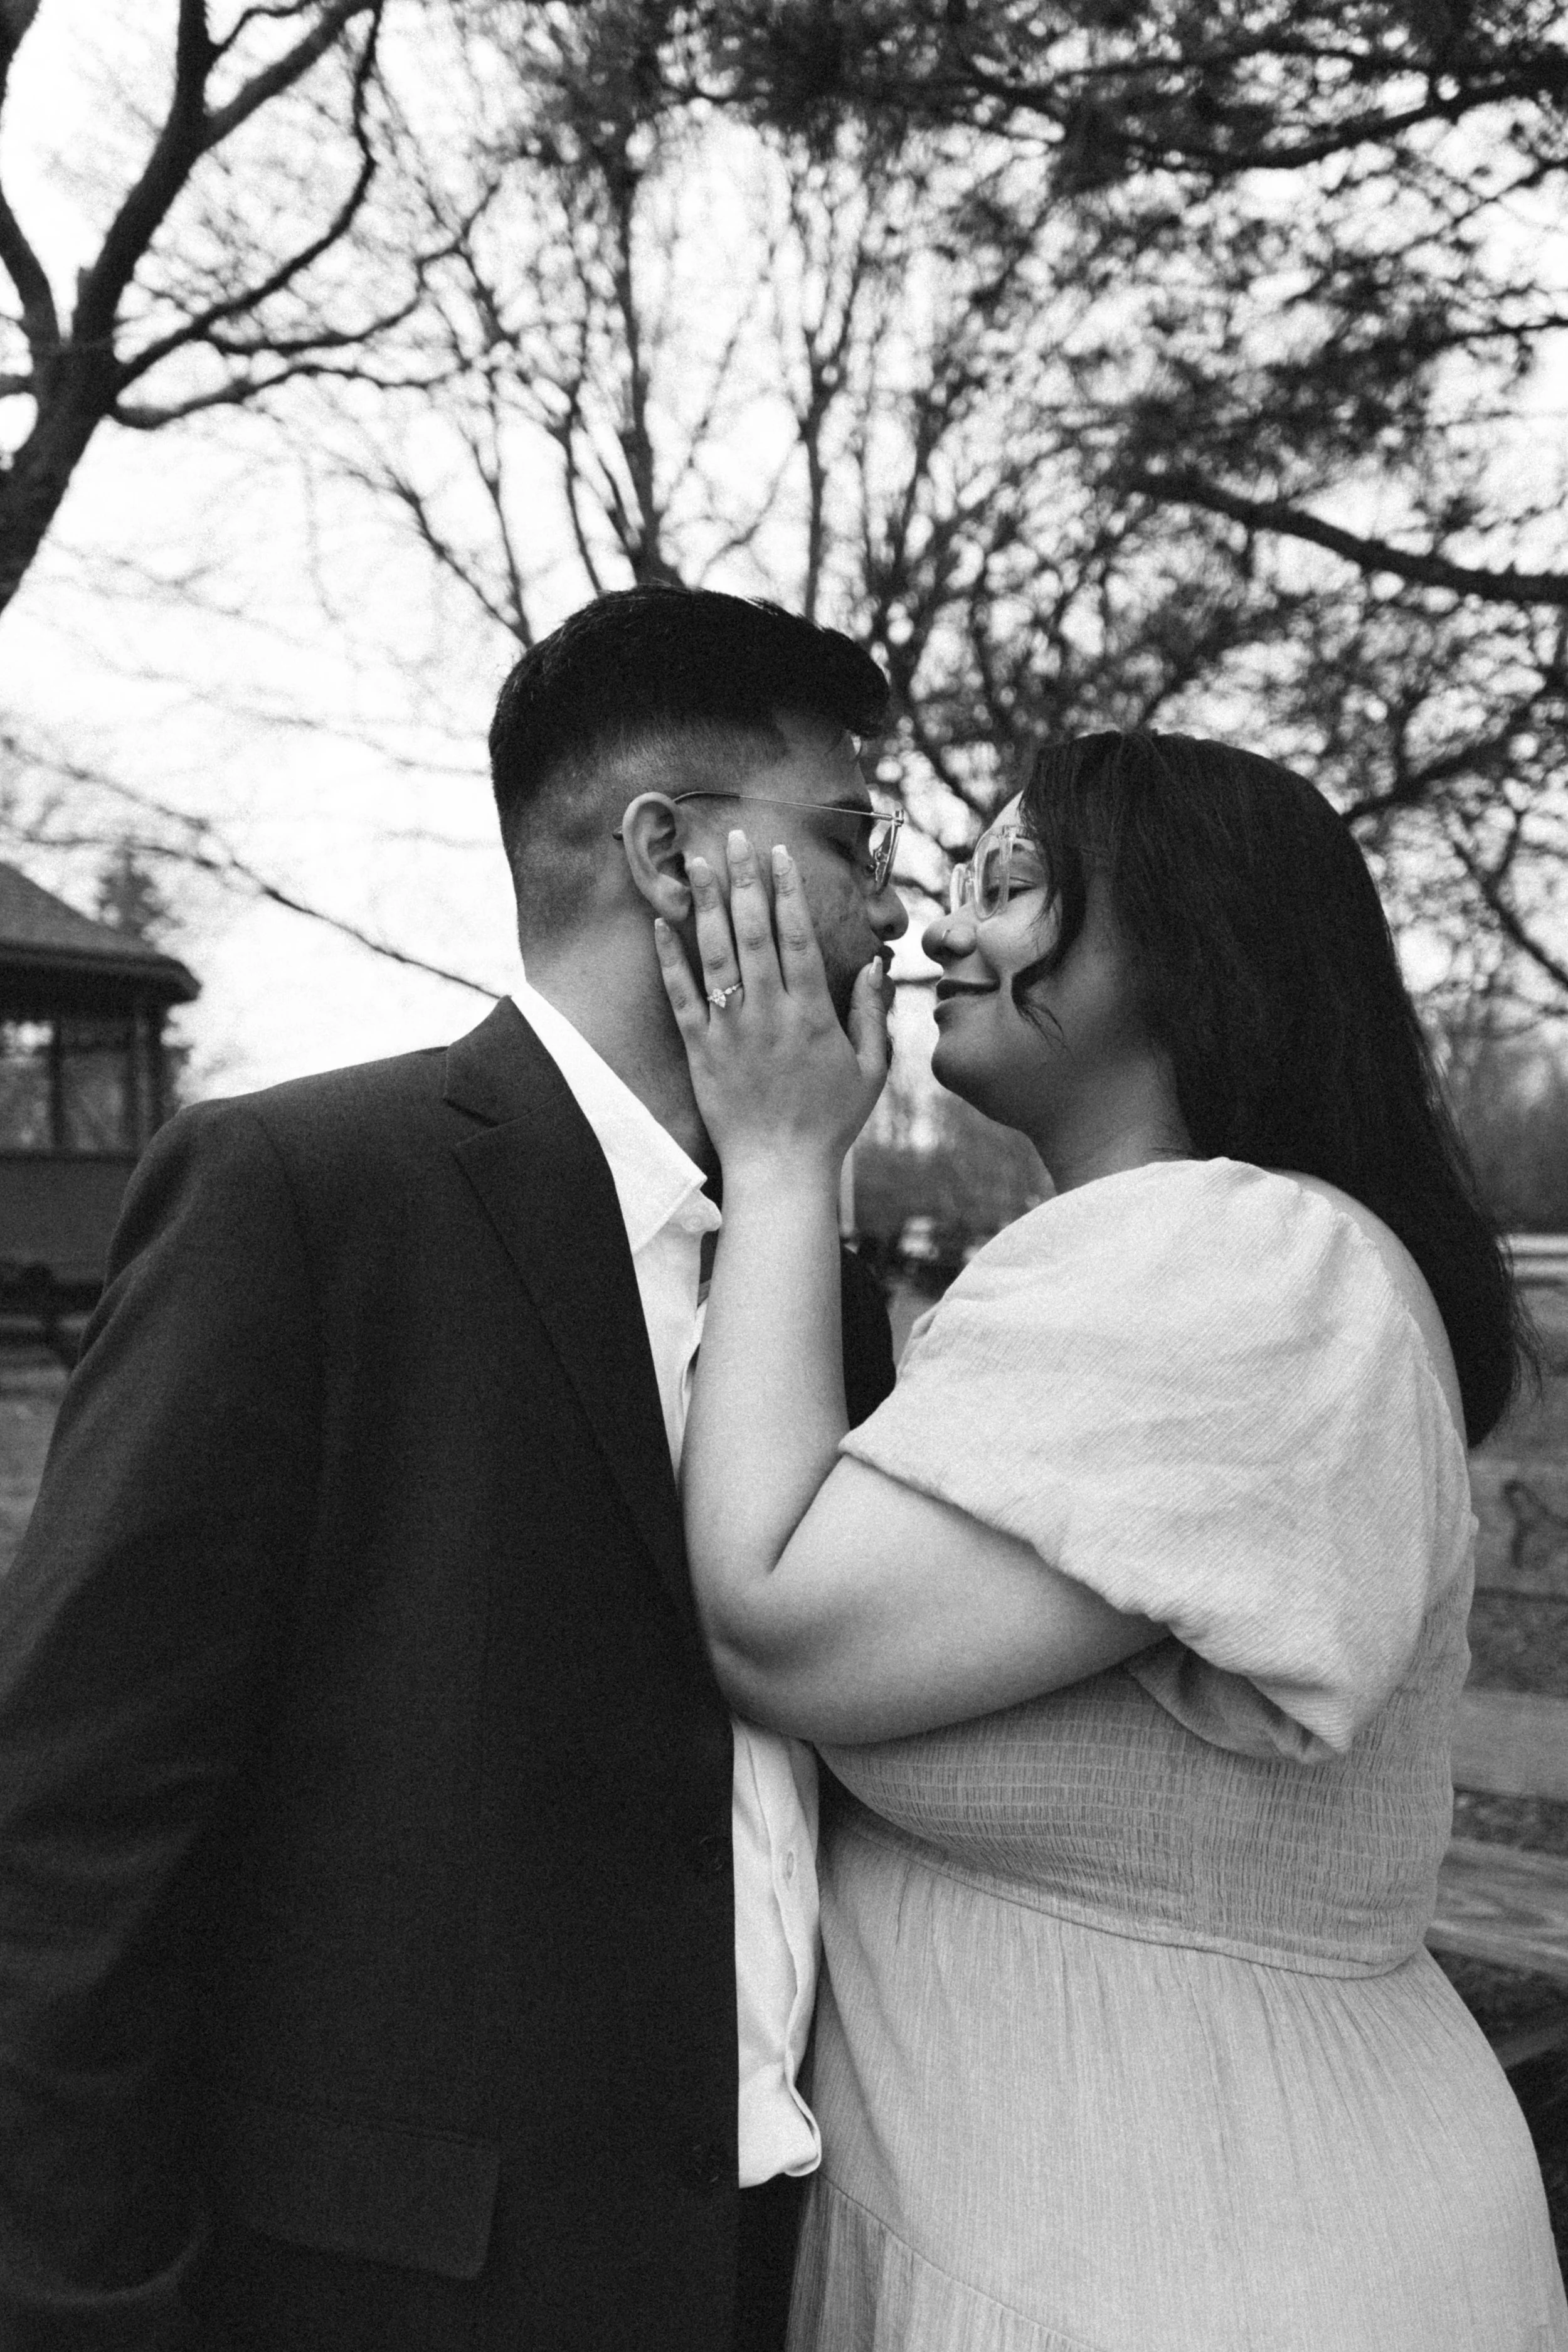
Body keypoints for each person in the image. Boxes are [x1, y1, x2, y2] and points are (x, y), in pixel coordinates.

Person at [0, 586, 910, 2351]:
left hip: (767, 2274)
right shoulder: (304, 1196)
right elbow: (69, 1832)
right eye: (849, 838)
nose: (891, 907)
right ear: (667, 853)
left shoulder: (822, 1292)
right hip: (384, 2297)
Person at [656, 728, 1568, 2350]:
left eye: (1008, 884)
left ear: (1189, 945)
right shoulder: (1136, 1261)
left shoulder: (1237, 1263)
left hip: (1190, 2254)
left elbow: (774, 1617)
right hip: (1095, 2219)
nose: (943, 927)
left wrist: (786, 1152)